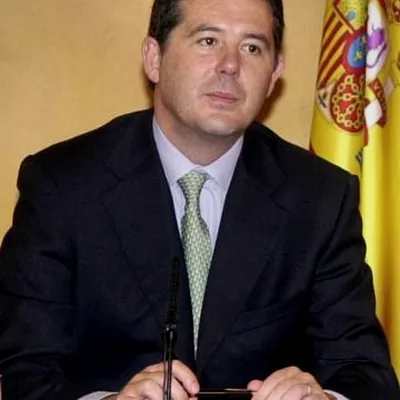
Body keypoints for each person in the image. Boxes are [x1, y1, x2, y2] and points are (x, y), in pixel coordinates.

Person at [0, 0, 399, 399]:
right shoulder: (63, 185)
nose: (230, 66)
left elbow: (366, 376)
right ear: (154, 59)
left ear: (275, 74)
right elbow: (24, 371)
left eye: (252, 48)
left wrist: (323, 398)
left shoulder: (319, 199)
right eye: (208, 41)